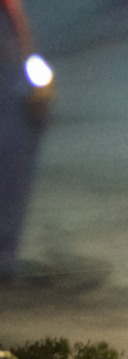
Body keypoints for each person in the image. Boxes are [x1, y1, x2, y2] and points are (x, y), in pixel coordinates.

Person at [0, 0, 53, 280]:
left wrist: (38, 91)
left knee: (15, 169)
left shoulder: (12, 19)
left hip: (14, 79)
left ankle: (5, 259)